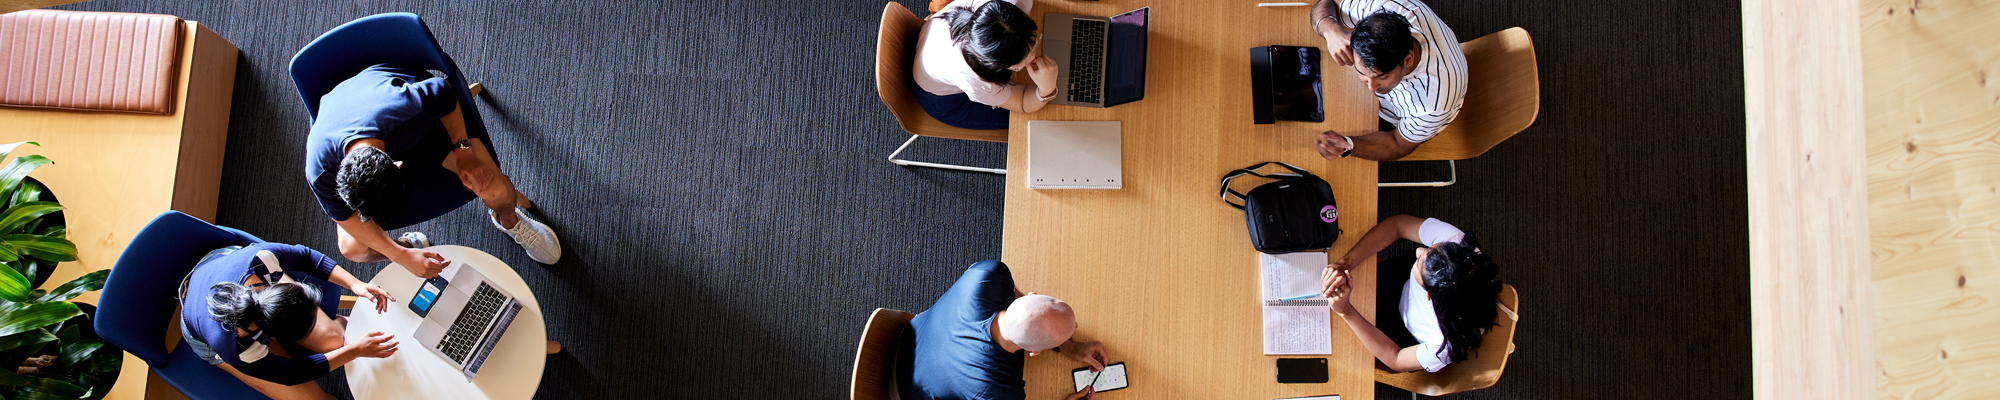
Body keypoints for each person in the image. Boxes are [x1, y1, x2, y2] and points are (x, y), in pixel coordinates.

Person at [304, 63, 562, 278]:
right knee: (352, 248)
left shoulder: (403, 106)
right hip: (377, 141)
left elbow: (446, 92)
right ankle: (408, 246)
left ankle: (510, 222)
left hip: (429, 132)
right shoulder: (320, 170)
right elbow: (344, 218)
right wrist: (400, 255)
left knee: (494, 189)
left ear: (398, 166)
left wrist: (463, 150)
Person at [179, 243, 400, 399]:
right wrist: (353, 351)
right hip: (199, 329)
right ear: (272, 337)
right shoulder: (237, 348)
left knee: (335, 340)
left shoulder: (262, 260)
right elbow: (292, 373)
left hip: (220, 262)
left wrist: (354, 284)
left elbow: (305, 257)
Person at [898, 261, 1110, 400]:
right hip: (902, 390)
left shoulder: (990, 275)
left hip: (906, 335)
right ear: (1033, 352)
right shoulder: (997, 390)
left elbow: (1014, 293)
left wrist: (1068, 345)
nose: (1077, 327)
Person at [1319, 215, 1502, 372]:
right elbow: (1398, 225)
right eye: (1429, 249)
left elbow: (1396, 358)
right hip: (1399, 282)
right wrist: (1345, 263)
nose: (1418, 250)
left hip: (1398, 334)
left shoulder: (1445, 343)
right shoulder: (1456, 243)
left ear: (1427, 295)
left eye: (1419, 260)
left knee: (1336, 351)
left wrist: (1346, 311)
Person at [1307, 0, 1468, 161]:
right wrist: (1331, 30)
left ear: (1408, 60)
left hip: (1393, 120)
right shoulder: (1386, 6)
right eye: (1362, 73)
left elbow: (1397, 144)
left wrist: (1347, 145)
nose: (1371, 87)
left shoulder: (1433, 103)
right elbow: (1327, 3)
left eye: (1382, 77)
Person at [911, 0, 1060, 130]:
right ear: (996, 66)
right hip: (943, 99)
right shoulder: (976, 82)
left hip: (933, 49)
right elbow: (1022, 103)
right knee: (1037, 121)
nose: (1033, 56)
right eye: (1026, 56)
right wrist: (1046, 90)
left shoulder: (1008, 4)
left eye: (1034, 43)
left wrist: (1009, 82)